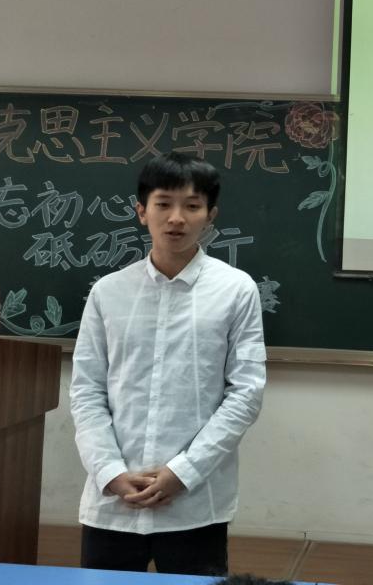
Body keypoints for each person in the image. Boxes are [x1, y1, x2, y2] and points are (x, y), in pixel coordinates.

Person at [70, 151, 267, 576]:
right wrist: (109, 471)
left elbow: (246, 394)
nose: (176, 218)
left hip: (194, 503)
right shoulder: (108, 292)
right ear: (142, 211)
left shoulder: (236, 290)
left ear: (210, 215)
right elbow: (87, 390)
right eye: (163, 204)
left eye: (192, 206)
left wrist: (184, 471)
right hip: (113, 501)